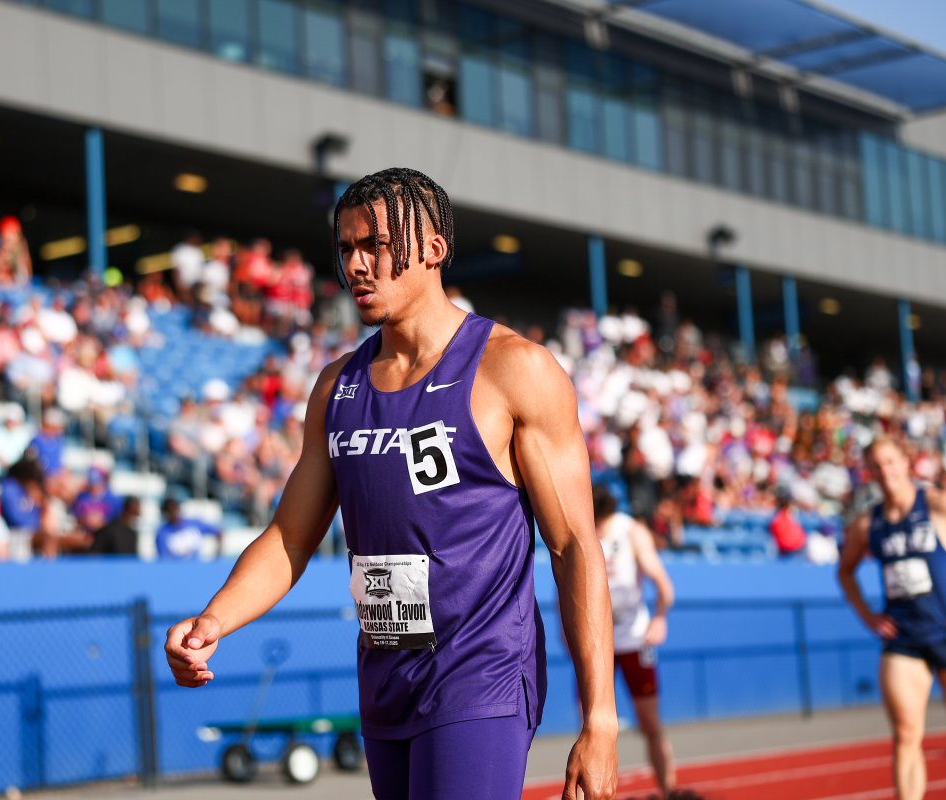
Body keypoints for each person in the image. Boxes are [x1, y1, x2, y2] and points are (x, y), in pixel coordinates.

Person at [164, 168, 618, 800]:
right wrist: (214, 619)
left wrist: (600, 719)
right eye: (346, 248)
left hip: (480, 676)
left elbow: (573, 548)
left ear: (433, 249)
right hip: (385, 679)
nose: (356, 264)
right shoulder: (336, 386)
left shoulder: (514, 369)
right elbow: (289, 537)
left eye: (375, 245)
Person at [838, 437, 946, 800]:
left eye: (890, 461)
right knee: (906, 734)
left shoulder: (939, 505)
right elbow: (845, 571)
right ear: (869, 472)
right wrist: (867, 615)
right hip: (903, 640)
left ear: (906, 462)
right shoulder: (867, 525)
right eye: (876, 465)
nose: (885, 471)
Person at [594, 484, 677, 798]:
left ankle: (668, 790)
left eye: (600, 522)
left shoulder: (631, 531)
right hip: (597, 644)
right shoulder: (583, 528)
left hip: (634, 639)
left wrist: (660, 618)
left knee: (650, 724)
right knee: (595, 727)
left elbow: (662, 582)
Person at [155, 497, 221, 559]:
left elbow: (218, 533)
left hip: (196, 565)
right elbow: (165, 558)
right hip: (176, 566)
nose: (173, 513)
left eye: (174, 509)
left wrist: (216, 556)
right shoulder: (162, 533)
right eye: (169, 511)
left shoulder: (194, 524)